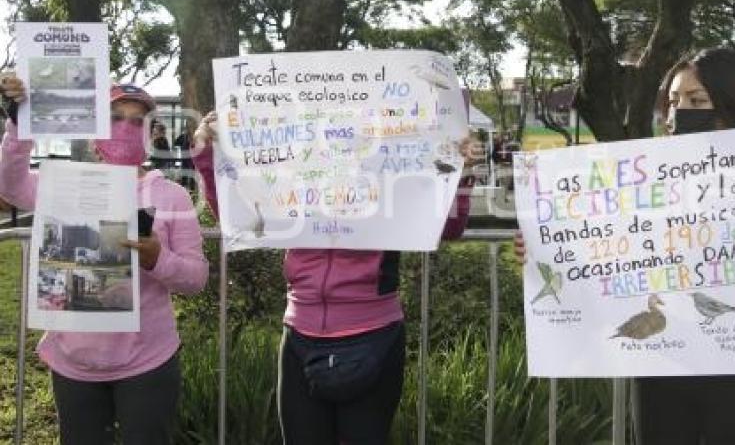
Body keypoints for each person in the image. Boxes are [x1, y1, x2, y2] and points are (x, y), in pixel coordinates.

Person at [513, 48, 735, 445]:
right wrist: (544, 251)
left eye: (697, 101)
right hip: (664, 370)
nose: (678, 113)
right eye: (673, 102)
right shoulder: (641, 191)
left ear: (733, 106)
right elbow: (598, 260)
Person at [191, 110, 477, 445]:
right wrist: (209, 156)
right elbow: (238, 216)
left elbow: (450, 227)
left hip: (374, 336)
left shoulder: (391, 170)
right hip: (299, 333)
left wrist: (460, 173)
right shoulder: (292, 171)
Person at [0, 76, 208, 445]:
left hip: (148, 363)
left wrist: (158, 260)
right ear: (95, 128)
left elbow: (195, 279)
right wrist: (21, 121)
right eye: (115, 117)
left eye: (137, 121)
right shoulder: (65, 184)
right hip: (72, 363)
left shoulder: (172, 195)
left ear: (149, 133)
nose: (126, 127)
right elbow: (10, 184)